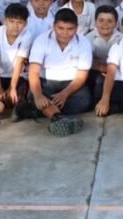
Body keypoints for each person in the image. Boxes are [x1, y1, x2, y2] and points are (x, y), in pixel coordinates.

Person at [18, 8, 93, 136]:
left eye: (70, 29)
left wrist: (64, 94)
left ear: (76, 28)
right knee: (35, 95)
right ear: (53, 26)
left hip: (71, 84)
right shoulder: (41, 40)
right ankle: (58, 118)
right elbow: (34, 71)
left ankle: (40, 111)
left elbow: (81, 76)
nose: (65, 33)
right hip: (46, 82)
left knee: (85, 101)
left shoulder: (84, 42)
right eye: (60, 28)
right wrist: (38, 96)